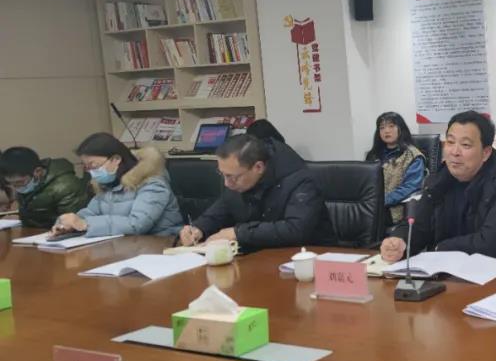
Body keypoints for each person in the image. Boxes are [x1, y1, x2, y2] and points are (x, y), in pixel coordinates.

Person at [380, 111, 496, 261]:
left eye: (465, 145)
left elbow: (492, 244)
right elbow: (419, 226)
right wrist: (400, 240)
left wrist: (440, 248)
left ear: (486, 152)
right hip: (446, 270)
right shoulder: (439, 179)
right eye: (450, 142)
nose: (454, 152)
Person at [179, 135, 334, 250]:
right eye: (222, 174)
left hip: (308, 258)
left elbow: (295, 230)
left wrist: (238, 233)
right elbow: (220, 211)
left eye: (231, 177)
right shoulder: (238, 181)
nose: (226, 183)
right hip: (259, 259)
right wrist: (198, 228)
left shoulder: (300, 180)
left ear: (258, 167)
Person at [51, 133, 182, 237]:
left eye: (94, 165)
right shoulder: (108, 184)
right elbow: (91, 212)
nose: (91, 172)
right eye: (86, 167)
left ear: (116, 159)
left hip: (161, 245)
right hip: (126, 246)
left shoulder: (153, 183)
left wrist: (85, 224)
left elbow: (137, 224)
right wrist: (67, 224)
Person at [0, 146, 89, 228]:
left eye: (19, 182)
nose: (16, 187)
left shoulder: (66, 186)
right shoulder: (28, 184)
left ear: (37, 172)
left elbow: (72, 223)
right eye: (11, 183)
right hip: (32, 234)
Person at [365, 112, 426, 225]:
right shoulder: (373, 155)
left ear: (401, 129)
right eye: (382, 128)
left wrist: (381, 201)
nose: (386, 131)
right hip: (370, 208)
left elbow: (410, 187)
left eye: (391, 126)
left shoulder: (413, 156)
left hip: (394, 210)